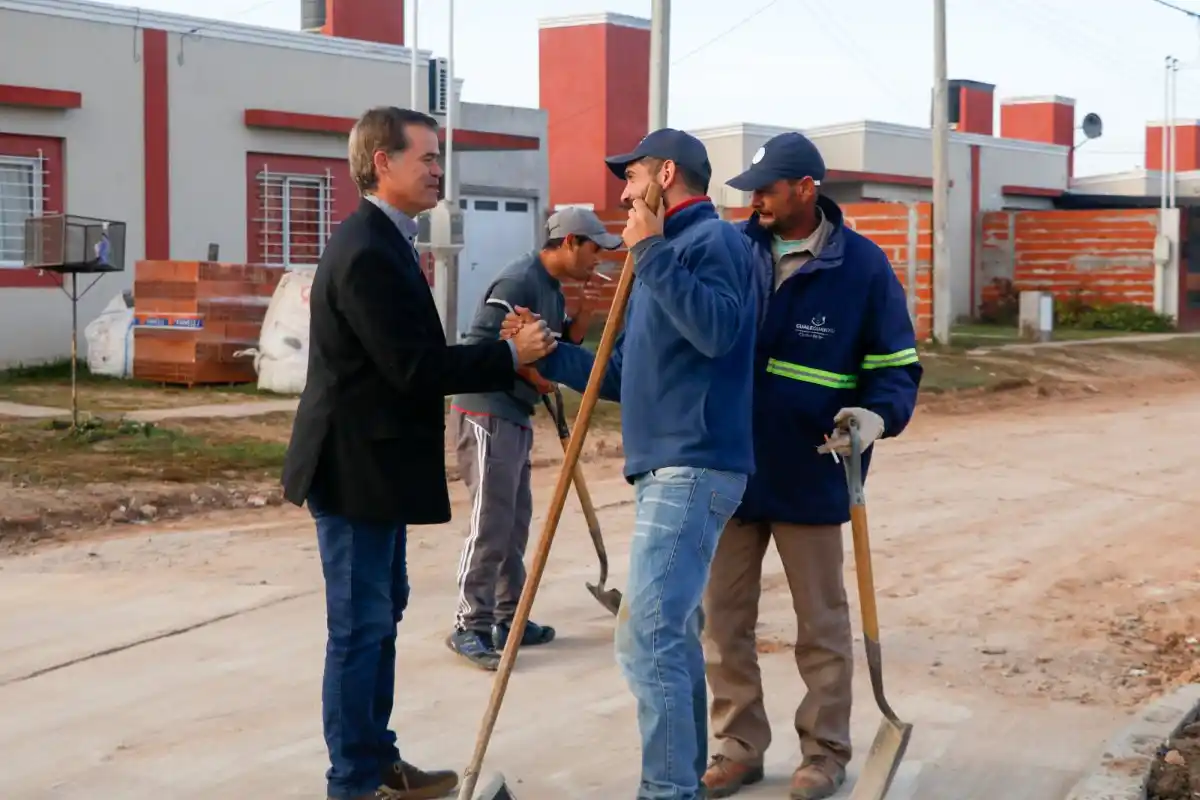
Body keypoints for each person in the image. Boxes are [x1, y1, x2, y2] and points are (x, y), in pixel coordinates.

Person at [280, 106, 557, 800]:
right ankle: (353, 783)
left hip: (378, 469)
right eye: (428, 157)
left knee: (381, 616)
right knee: (358, 627)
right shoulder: (368, 249)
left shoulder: (390, 241)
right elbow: (411, 367)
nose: (440, 170)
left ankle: (379, 762)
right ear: (384, 162)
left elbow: (411, 360)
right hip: (350, 471)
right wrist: (503, 355)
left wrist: (503, 357)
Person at [504, 128, 759, 800]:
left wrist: (649, 250)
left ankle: (667, 790)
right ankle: (680, 783)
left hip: (693, 461)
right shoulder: (661, 258)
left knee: (645, 637)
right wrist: (550, 354)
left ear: (665, 174)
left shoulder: (713, 242)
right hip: (664, 467)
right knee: (668, 636)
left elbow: (718, 330)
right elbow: (622, 375)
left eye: (631, 177)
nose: (621, 193)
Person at [698, 132, 923, 800]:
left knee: (821, 625)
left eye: (766, 188)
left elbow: (895, 366)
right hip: (730, 469)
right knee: (724, 619)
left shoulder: (862, 269)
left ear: (806, 188)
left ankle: (824, 752)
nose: (754, 200)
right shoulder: (731, 252)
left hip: (816, 470)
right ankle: (739, 744)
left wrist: (876, 416)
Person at [445, 207, 622, 670]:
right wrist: (533, 376)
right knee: (491, 521)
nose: (598, 258)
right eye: (593, 248)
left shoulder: (553, 289)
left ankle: (509, 619)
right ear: (569, 243)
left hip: (515, 413)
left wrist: (583, 313)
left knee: (515, 520)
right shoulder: (518, 280)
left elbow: (561, 345)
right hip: (486, 409)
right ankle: (470, 624)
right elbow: (484, 347)